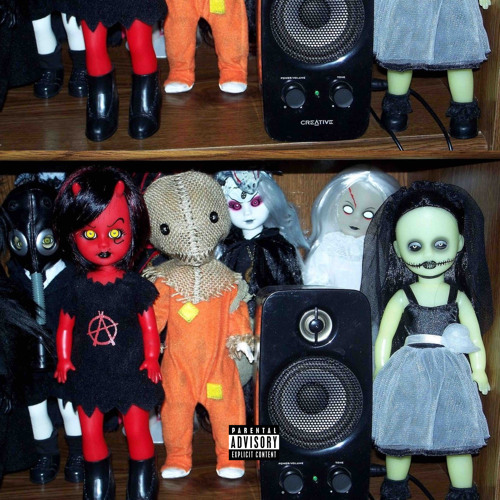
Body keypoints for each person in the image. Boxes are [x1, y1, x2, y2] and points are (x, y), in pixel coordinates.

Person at [361, 181, 493, 500]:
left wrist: (478, 369)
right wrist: (381, 369)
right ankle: (395, 487)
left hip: (450, 370)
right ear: (397, 250)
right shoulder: (402, 297)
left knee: (456, 431)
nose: (429, 256)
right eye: (415, 247)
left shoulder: (457, 296)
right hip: (408, 369)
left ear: (459, 243)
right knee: (401, 429)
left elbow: (474, 335)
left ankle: (462, 489)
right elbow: (385, 336)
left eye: (440, 244)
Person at [53, 166, 164, 500]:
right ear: (72, 235)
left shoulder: (134, 287)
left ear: (132, 229)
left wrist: (151, 358)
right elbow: (65, 326)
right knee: (90, 431)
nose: (103, 244)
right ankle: (98, 480)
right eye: (89, 234)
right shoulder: (76, 288)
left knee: (137, 428)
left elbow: (149, 327)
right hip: (89, 371)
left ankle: (143, 479)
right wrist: (63, 359)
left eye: (116, 233)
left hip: (130, 369)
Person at [2, 179, 84, 485]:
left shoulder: (72, 277)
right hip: (30, 360)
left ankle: (78, 452)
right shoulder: (14, 278)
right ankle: (46, 453)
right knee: (36, 409)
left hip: (67, 358)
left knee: (69, 408)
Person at [304, 166, 400, 290]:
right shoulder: (329, 245)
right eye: (348, 209)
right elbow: (314, 277)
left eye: (368, 215)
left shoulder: (380, 248)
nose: (356, 219)